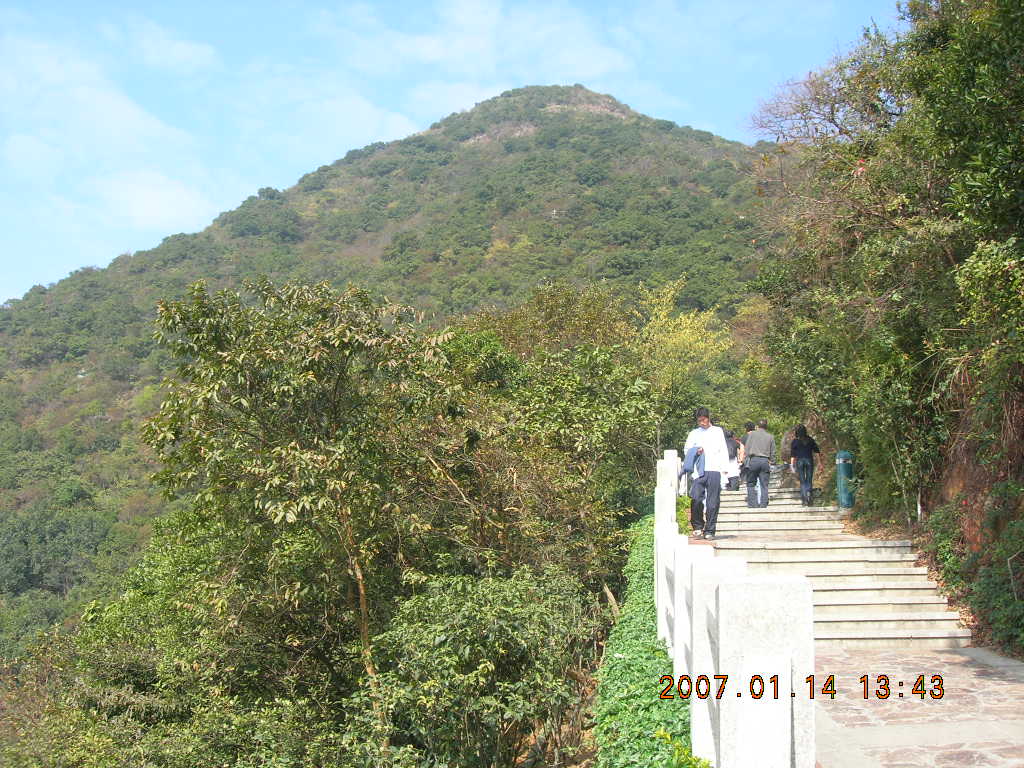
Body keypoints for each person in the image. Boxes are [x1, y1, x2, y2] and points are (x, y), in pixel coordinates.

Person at [682, 407, 730, 540]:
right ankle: (697, 526)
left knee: (713, 502)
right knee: (696, 498)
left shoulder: (717, 431)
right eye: (699, 421)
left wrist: (725, 469)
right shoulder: (694, 433)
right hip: (699, 471)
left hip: (715, 469)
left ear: (708, 418)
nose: (702, 423)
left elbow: (723, 450)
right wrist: (695, 451)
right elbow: (686, 450)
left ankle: (710, 530)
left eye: (703, 420)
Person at [743, 418, 776, 508]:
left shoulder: (752, 434)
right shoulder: (770, 436)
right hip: (765, 461)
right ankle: (763, 503)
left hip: (753, 460)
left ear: (757, 426)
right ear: (766, 426)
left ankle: (753, 504)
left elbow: (747, 448)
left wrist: (746, 459)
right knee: (764, 484)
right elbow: (773, 451)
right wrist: (772, 462)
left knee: (751, 483)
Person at [789, 424, 821, 506]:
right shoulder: (810, 439)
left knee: (802, 481)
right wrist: (819, 462)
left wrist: (792, 465)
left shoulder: (795, 441)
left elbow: (793, 455)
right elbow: (817, 451)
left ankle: (804, 500)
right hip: (809, 460)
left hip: (800, 461)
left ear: (797, 432)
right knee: (809, 480)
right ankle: (809, 498)